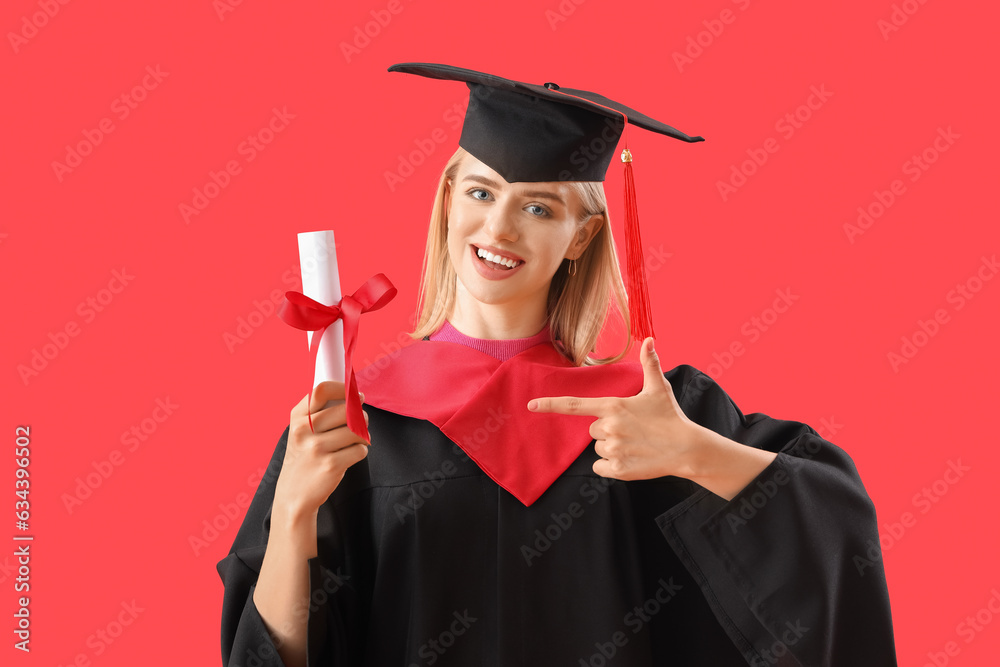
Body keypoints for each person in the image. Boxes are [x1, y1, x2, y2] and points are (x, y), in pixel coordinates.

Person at [216, 62, 897, 667]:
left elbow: (836, 532)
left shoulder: (649, 413)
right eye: (480, 192)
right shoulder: (356, 426)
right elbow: (279, 654)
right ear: (449, 197)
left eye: (538, 206)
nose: (500, 228)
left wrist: (694, 454)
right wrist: (295, 509)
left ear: (582, 235)